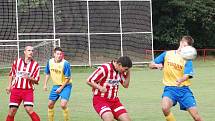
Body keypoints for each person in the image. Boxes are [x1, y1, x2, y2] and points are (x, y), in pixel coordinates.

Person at [149, 36, 203, 121]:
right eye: (183, 45)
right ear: (180, 42)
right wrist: (156, 65)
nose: (184, 48)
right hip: (170, 89)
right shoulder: (167, 54)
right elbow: (150, 64)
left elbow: (187, 75)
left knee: (196, 117)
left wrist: (181, 80)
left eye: (187, 47)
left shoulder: (188, 59)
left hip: (184, 91)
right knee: (165, 108)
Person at [87, 56, 132, 121]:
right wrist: (100, 87)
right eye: (125, 69)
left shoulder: (120, 71)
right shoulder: (105, 68)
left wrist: (128, 72)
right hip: (100, 100)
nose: (125, 71)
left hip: (115, 102)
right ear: (119, 65)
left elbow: (125, 85)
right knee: (109, 119)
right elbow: (89, 80)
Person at [5, 46, 41, 121]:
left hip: (28, 90)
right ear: (24, 52)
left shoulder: (36, 65)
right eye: (29, 50)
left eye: (32, 51)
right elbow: (11, 74)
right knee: (12, 111)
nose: (31, 52)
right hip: (16, 90)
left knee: (29, 109)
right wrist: (9, 86)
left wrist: (29, 78)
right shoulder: (17, 62)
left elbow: (37, 81)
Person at [43, 47, 72, 121]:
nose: (59, 55)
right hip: (56, 86)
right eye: (57, 54)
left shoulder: (65, 63)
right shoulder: (50, 62)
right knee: (50, 105)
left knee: (63, 105)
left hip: (66, 86)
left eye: (60, 54)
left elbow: (67, 78)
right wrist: (45, 84)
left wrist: (60, 88)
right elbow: (47, 73)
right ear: (54, 54)